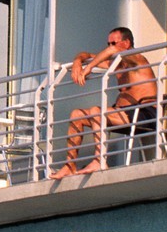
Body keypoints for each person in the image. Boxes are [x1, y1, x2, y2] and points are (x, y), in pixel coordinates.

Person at [52, 26, 158, 178]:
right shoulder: (116, 64)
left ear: (127, 43)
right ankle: (70, 165)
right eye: (108, 43)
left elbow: (110, 53)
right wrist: (77, 61)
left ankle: (99, 160)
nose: (109, 47)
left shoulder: (137, 58)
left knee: (96, 111)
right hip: (123, 113)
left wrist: (88, 68)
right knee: (77, 114)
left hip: (143, 114)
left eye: (113, 43)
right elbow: (87, 54)